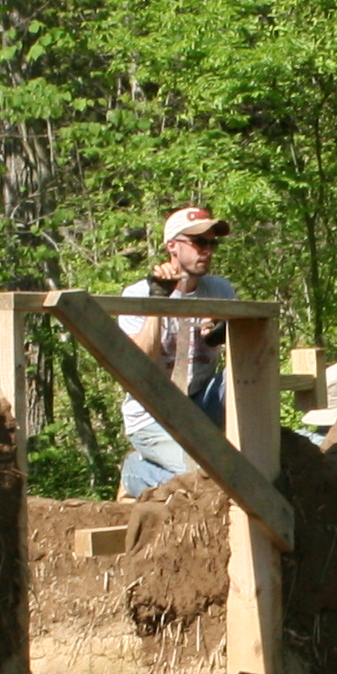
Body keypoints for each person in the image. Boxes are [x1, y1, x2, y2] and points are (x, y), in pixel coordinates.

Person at [119, 206, 241, 498]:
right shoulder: (137, 294)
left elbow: (251, 348)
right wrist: (157, 304)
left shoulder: (219, 289)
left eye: (212, 243)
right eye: (199, 242)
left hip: (201, 401)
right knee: (201, 477)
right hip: (152, 413)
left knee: (239, 378)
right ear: (172, 246)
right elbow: (138, 362)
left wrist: (227, 331)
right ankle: (135, 471)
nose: (208, 251)